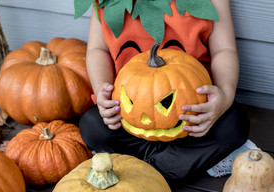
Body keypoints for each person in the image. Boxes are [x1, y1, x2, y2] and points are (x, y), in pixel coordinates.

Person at [79, 0, 257, 181]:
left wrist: (225, 94)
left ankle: (145, 172)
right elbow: (97, 49)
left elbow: (223, 49)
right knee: (92, 125)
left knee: (234, 122)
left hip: (192, 121)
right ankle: (170, 166)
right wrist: (102, 87)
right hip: (130, 116)